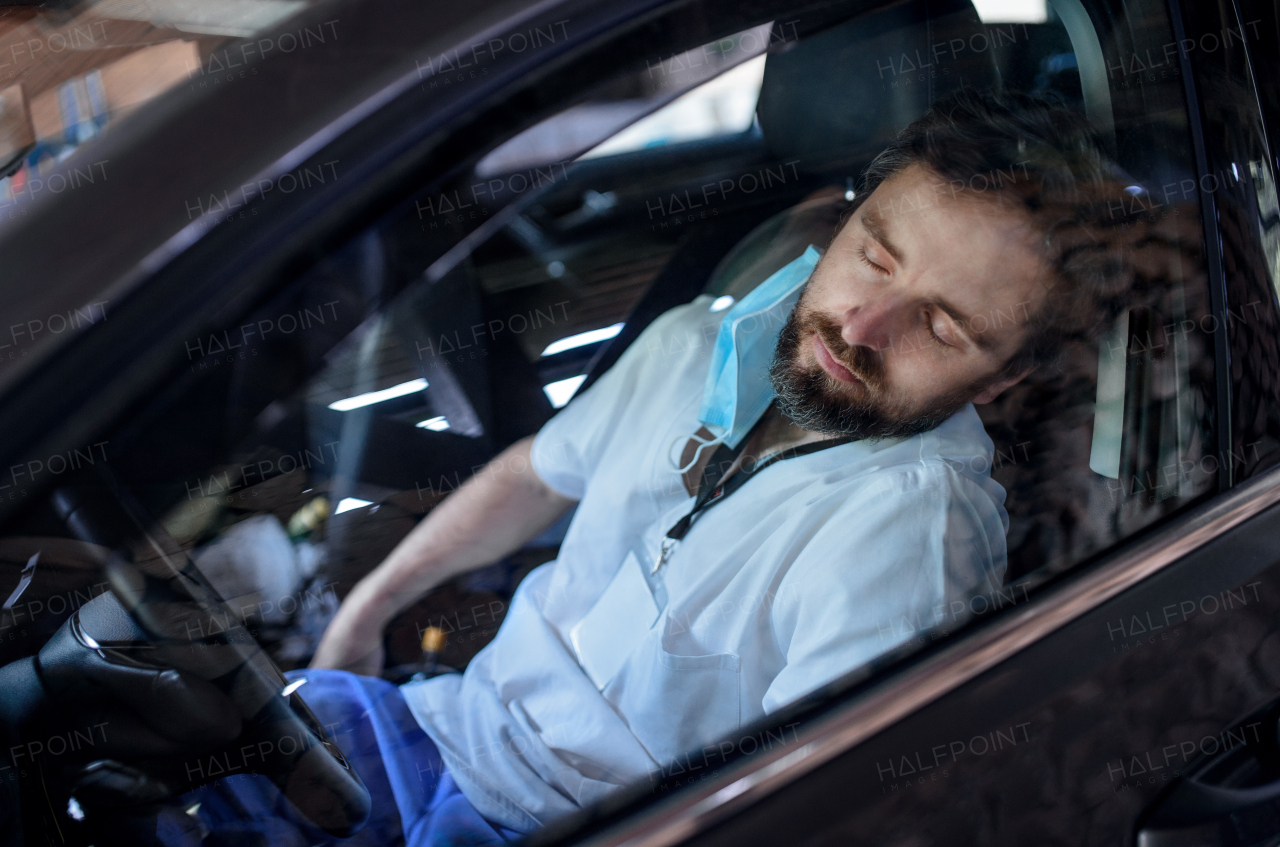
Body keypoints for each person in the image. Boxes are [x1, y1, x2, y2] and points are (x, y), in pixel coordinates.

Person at [3, 89, 1136, 847]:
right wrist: (364, 610)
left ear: (995, 384)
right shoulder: (706, 338)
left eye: (940, 327)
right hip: (435, 729)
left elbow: (827, 807)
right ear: (834, 227)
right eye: (871, 258)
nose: (861, 324)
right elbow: (534, 476)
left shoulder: (907, 534)